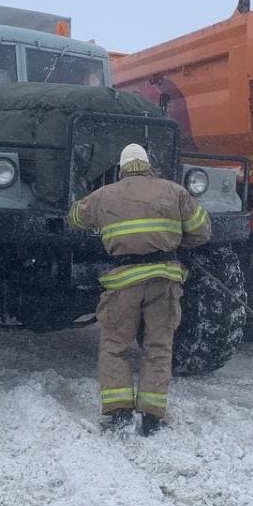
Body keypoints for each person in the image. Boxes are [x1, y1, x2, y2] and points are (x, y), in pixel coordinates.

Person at [66, 143, 210, 436]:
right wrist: (176, 239)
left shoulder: (105, 195)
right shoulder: (174, 192)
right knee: (158, 347)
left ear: (122, 168)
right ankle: (152, 417)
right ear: (148, 165)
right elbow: (202, 231)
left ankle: (119, 412)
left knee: (115, 347)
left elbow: (75, 218)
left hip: (123, 283)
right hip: (164, 279)